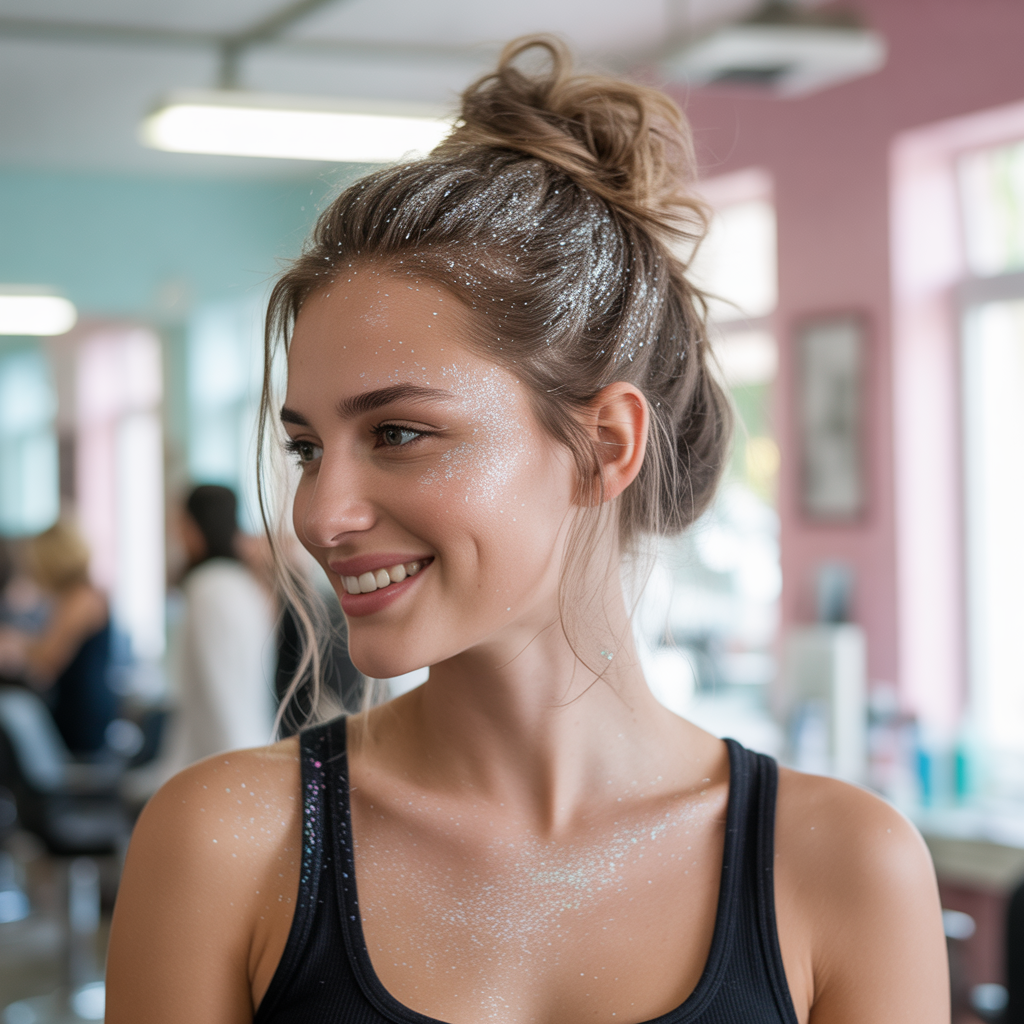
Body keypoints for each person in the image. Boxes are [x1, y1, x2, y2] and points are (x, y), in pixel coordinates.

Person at [106, 36, 948, 1024]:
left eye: (400, 433)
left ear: (602, 444)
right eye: (306, 449)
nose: (321, 513)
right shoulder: (225, 844)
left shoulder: (841, 864)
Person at [157, 485, 277, 780]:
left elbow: (220, 692)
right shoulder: (240, 584)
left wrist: (237, 776)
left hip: (221, 766)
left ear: (193, 528)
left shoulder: (208, 589)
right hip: (244, 753)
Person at [0, 520, 115, 755]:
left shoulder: (80, 598)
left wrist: (17, 644)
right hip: (81, 709)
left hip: (81, 717)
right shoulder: (81, 594)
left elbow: (47, 662)